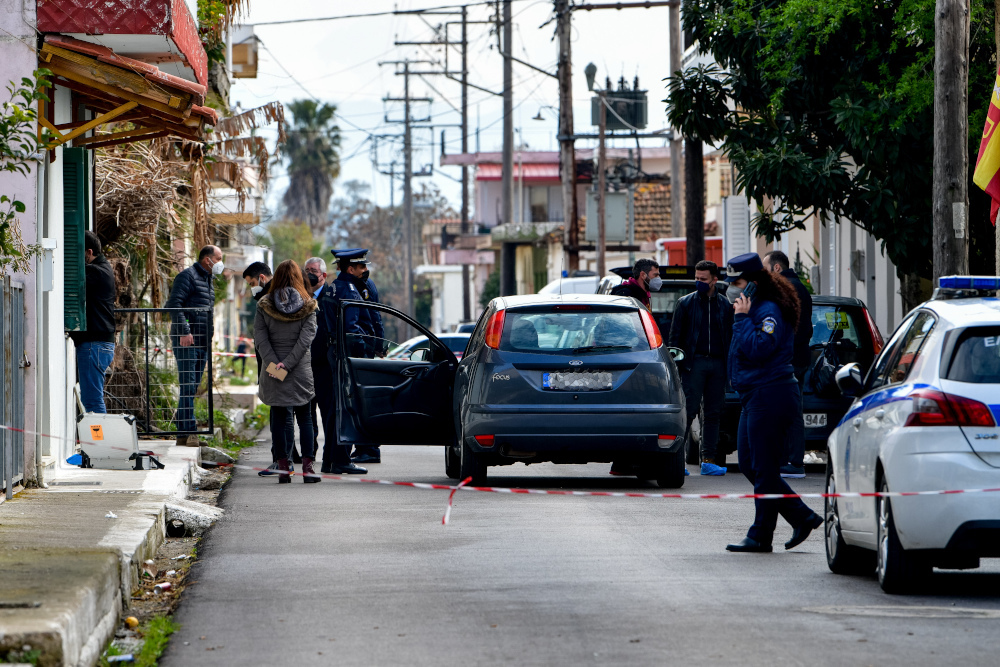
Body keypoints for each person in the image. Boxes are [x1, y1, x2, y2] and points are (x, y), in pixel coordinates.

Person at [723, 252, 823, 553]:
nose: (731, 288)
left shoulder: (768, 310)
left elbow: (759, 349)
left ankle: (760, 535)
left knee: (763, 467)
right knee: (750, 465)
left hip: (771, 393)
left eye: (736, 282)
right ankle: (801, 516)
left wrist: (741, 319)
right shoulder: (754, 307)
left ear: (752, 284)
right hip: (754, 394)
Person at [254, 260, 320, 484]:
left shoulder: (264, 304)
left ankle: (284, 468)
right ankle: (309, 470)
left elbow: (260, 339)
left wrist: (275, 364)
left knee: (280, 418)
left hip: (274, 371)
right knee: (306, 419)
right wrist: (289, 364)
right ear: (299, 278)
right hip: (300, 369)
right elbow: (306, 340)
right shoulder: (309, 304)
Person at [668, 259, 733, 476]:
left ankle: (708, 459)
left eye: (703, 279)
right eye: (696, 278)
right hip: (693, 364)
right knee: (689, 411)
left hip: (717, 363)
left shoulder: (725, 305)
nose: (699, 282)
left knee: (714, 413)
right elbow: (675, 338)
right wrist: (679, 365)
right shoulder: (685, 303)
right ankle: (678, 459)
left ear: (715, 280)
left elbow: (731, 337)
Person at [305, 255, 366, 475]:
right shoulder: (300, 299)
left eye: (313, 270)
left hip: (323, 363)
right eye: (306, 270)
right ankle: (306, 459)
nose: (309, 274)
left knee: (331, 411)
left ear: (324, 275)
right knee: (304, 414)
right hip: (302, 365)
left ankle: (331, 459)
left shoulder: (331, 294)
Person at [333, 249, 388, 464]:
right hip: (356, 348)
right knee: (353, 400)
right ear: (350, 269)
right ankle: (363, 446)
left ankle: (369, 449)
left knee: (361, 400)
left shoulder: (365, 285)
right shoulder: (347, 285)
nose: (366, 269)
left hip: (361, 348)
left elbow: (375, 315)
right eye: (362, 266)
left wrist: (378, 344)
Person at [165, 245, 223, 447]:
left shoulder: (208, 280)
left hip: (202, 342)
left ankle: (183, 434)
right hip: (187, 341)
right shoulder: (187, 276)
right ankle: (190, 433)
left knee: (192, 388)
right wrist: (184, 330)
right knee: (188, 387)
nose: (220, 263)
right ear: (208, 260)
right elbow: (174, 304)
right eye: (219, 258)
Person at [763, 250, 813, 479]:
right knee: (791, 410)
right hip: (798, 359)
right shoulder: (800, 287)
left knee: (787, 412)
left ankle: (792, 461)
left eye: (766, 268)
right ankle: (790, 460)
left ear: (776, 268)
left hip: (787, 361)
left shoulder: (785, 289)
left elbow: (785, 328)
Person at [70, 231, 117, 413]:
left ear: (89, 252)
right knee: (92, 400)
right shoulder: (104, 269)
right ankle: (96, 441)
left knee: (92, 402)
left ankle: (97, 442)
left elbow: (70, 274)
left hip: (94, 345)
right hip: (99, 344)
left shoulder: (95, 271)